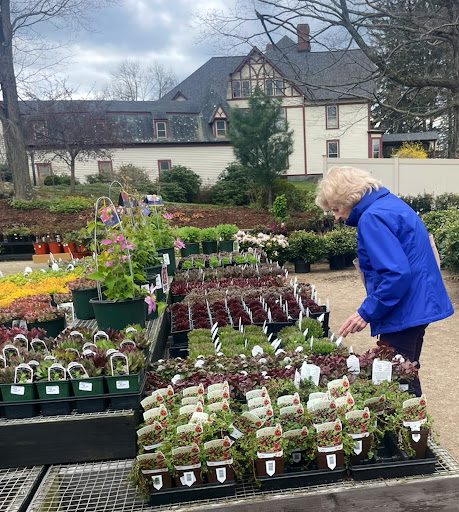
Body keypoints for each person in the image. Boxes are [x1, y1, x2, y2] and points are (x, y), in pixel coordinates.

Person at [316, 166, 454, 396]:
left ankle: (416, 430)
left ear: (349, 197)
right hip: (416, 306)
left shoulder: (372, 217)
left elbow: (396, 274)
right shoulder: (390, 204)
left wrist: (366, 312)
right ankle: (416, 428)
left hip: (404, 312)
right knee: (406, 372)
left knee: (398, 381)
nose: (337, 217)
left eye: (336, 209)